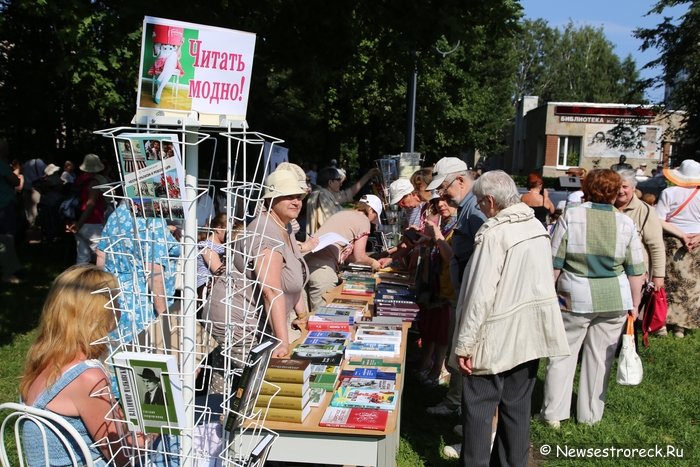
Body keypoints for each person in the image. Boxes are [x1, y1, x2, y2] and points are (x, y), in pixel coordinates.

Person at [451, 171, 569, 466]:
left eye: (479, 202)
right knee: (517, 407)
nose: (478, 208)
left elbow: (479, 294)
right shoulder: (537, 226)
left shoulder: (495, 234)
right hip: (530, 332)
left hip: (494, 332)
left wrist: (465, 343)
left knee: (478, 409)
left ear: (490, 200)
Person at [540, 169, 646, 427]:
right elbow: (636, 269)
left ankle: (553, 414)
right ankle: (590, 416)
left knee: (563, 355)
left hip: (574, 298)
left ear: (588, 188)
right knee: (600, 359)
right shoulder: (626, 223)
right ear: (614, 191)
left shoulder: (571, 216)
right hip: (614, 300)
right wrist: (634, 305)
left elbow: (554, 261)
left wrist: (546, 294)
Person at [19, 264, 148, 466]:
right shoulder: (86, 377)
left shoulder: (43, 361)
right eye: (115, 302)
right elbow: (123, 458)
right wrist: (157, 426)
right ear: (99, 313)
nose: (119, 308)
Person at [208, 170, 311, 359]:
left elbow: (292, 276)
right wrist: (282, 341)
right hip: (240, 320)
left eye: (298, 196)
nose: (296, 202)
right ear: (271, 199)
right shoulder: (266, 233)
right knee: (260, 379)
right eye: (288, 196)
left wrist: (303, 316)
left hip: (255, 318)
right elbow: (270, 291)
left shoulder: (285, 226)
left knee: (235, 376)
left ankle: (220, 381)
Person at [424, 157, 486, 417]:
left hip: (473, 296)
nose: (442, 195)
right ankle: (459, 403)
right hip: (464, 293)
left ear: (460, 181)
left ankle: (464, 407)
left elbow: (483, 257)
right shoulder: (469, 207)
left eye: (444, 188)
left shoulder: (476, 210)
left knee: (467, 353)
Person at [97, 199, 181, 344]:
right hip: (144, 307)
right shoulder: (152, 220)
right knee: (145, 360)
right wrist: (166, 320)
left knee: (117, 359)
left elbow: (101, 256)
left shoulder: (116, 214)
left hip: (113, 300)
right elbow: (154, 275)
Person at [304, 194, 384, 311]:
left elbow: (347, 256)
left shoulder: (342, 213)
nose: (372, 221)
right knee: (321, 317)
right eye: (375, 216)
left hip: (305, 262)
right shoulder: (364, 220)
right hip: (322, 269)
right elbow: (359, 257)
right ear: (371, 210)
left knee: (304, 318)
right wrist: (373, 263)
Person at [415, 193, 459, 387]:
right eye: (437, 202)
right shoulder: (449, 223)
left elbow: (450, 257)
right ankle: (430, 367)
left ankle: (438, 371)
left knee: (443, 334)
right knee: (433, 329)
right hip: (437, 286)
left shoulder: (458, 226)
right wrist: (429, 240)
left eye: (446, 201)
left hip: (448, 289)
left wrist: (437, 236)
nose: (441, 205)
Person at [655, 159, 700, 337]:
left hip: (673, 241)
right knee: (692, 286)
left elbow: (659, 219)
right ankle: (681, 326)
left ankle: (662, 323)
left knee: (669, 284)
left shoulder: (669, 193)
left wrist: (681, 235)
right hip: (697, 244)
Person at [614, 169, 665, 294]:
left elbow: (656, 245)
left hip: (636, 278)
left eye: (625, 186)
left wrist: (658, 276)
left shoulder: (645, 211)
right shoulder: (605, 207)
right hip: (610, 275)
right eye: (617, 187)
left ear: (633, 187)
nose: (621, 191)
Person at [305, 166, 380, 235]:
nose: (341, 184)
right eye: (338, 180)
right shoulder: (322, 195)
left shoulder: (326, 193)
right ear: (330, 182)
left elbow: (349, 193)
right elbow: (335, 219)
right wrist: (359, 213)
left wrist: (368, 175)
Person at [67, 154, 108, 264]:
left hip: (78, 219)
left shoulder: (79, 180)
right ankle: (104, 278)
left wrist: (78, 224)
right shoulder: (94, 182)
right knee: (102, 254)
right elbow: (91, 204)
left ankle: (79, 280)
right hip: (91, 222)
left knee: (82, 257)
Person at [1, 153, 22, 283]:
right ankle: (7, 272)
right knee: (5, 238)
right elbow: (16, 181)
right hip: (3, 206)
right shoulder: (1, 165)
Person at [197, 213, 227, 297]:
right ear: (218, 229)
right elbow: (219, 271)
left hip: (218, 287)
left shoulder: (225, 246)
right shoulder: (206, 247)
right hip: (206, 289)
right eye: (228, 231)